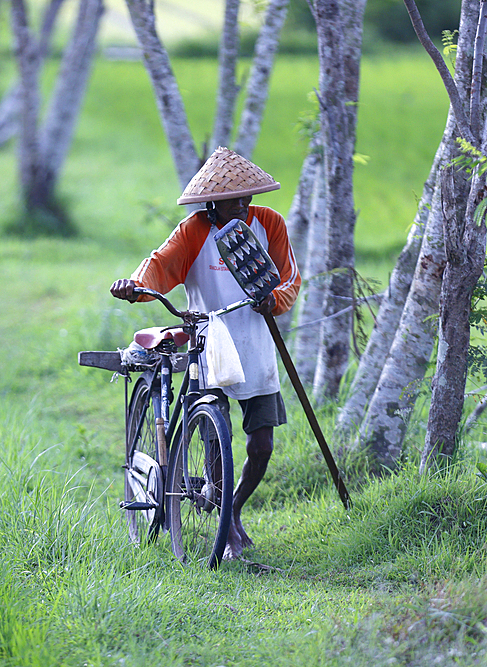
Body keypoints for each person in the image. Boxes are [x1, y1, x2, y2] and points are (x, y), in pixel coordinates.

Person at [110, 147, 301, 560]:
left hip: (256, 340)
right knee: (218, 437)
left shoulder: (269, 224)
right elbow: (159, 265)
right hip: (209, 339)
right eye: (234, 199)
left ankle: (232, 507)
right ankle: (227, 526)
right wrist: (135, 284)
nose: (243, 205)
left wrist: (276, 299)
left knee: (262, 444)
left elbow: (289, 278)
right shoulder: (194, 231)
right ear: (211, 203)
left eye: (247, 196)